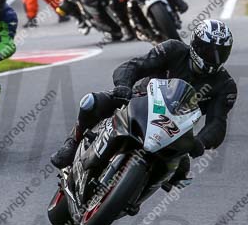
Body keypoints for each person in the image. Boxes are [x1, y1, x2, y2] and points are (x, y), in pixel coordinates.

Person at [51, 19, 237, 190]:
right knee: (91, 102)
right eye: (208, 50)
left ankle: (135, 194)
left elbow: (217, 123)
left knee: (181, 169)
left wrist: (201, 142)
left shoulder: (225, 85)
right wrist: (124, 86)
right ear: (195, 44)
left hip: (176, 129)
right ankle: (72, 143)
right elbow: (134, 66)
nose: (214, 58)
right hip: (140, 100)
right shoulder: (173, 50)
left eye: (221, 53)